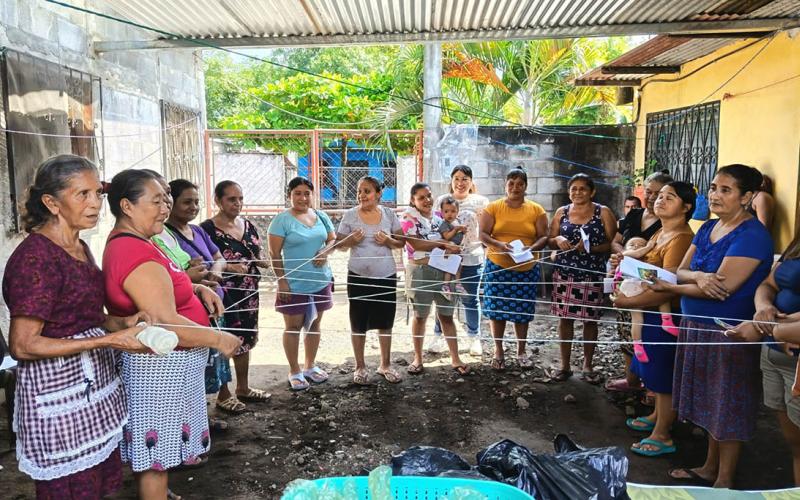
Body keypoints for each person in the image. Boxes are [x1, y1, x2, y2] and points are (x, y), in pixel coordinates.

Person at [3, 155, 148, 499]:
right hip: (57, 396)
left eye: (98, 193)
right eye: (82, 194)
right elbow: (23, 345)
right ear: (51, 203)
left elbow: (86, 316)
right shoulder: (36, 259)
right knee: (68, 489)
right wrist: (110, 340)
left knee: (96, 484)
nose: (95, 203)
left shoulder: (78, 246)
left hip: (91, 392)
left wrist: (124, 322)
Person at [103, 168, 241, 499]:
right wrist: (218, 339)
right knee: (155, 459)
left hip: (168, 369)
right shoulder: (132, 250)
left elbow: (163, 286)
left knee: (159, 455)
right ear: (127, 206)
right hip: (159, 372)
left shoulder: (144, 241)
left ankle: (159, 492)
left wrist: (195, 288)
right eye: (157, 200)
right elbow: (165, 322)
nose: (166, 207)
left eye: (167, 199)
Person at [650, 165, 773, 488]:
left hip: (728, 331)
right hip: (696, 325)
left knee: (727, 404)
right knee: (708, 401)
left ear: (747, 197)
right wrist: (699, 276)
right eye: (714, 187)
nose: (715, 195)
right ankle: (708, 467)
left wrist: (675, 287)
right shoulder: (708, 227)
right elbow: (681, 270)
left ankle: (725, 480)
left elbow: (723, 288)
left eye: (725, 190)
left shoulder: (751, 236)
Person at [609, 181, 696, 458]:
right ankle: (658, 415)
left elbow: (667, 284)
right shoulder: (661, 231)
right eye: (659, 196)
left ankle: (662, 433)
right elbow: (647, 268)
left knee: (662, 373)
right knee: (652, 369)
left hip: (665, 314)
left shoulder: (681, 238)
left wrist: (627, 301)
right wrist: (625, 264)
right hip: (649, 310)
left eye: (670, 197)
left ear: (686, 207)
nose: (660, 200)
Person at [725, 228, 800, 485]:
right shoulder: (796, 244)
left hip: (793, 358)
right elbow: (768, 283)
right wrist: (764, 308)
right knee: (795, 445)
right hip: (774, 352)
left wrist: (766, 328)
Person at [166, 179, 235, 427]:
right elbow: (171, 274)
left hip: (213, 305)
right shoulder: (165, 235)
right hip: (189, 311)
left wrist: (215, 271)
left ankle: (219, 400)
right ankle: (197, 419)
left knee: (216, 357)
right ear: (171, 203)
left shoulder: (197, 230)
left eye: (196, 202)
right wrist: (192, 277)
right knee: (197, 364)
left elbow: (219, 257)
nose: (193, 207)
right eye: (187, 202)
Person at [201, 181, 270, 410]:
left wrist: (260, 261)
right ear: (218, 201)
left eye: (240, 198)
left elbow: (256, 252)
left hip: (249, 293)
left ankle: (243, 387)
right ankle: (224, 394)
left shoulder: (248, 225)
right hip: (222, 296)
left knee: (245, 339)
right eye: (231, 199)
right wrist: (230, 268)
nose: (237, 203)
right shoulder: (206, 230)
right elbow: (203, 263)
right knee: (224, 340)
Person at [606, 171, 674, 395]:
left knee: (645, 331)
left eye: (659, 193)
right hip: (625, 276)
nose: (653, 198)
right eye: (649, 192)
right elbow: (616, 241)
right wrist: (622, 255)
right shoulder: (634, 214)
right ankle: (631, 378)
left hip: (647, 285)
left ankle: (651, 386)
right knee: (626, 329)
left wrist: (634, 259)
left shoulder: (666, 224)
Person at [547, 173, 617, 384]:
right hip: (565, 273)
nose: (577, 192)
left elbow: (613, 242)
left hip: (591, 273)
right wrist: (558, 239)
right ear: (569, 192)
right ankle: (565, 365)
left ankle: (588, 365)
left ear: (592, 192)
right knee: (565, 319)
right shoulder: (562, 212)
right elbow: (550, 239)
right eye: (573, 189)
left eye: (582, 189)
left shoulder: (602, 212)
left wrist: (590, 248)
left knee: (590, 320)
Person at [268, 177, 336, 390]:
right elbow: (274, 254)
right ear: (289, 195)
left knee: (314, 324)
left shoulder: (321, 216)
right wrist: (282, 282)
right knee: (293, 327)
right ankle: (294, 370)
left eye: (307, 193)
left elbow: (333, 239)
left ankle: (310, 366)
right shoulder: (281, 221)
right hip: (294, 284)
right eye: (297, 193)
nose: (303, 198)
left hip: (320, 281)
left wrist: (325, 251)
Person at [336, 176, 405, 384]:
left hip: (386, 275)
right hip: (358, 276)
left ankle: (385, 365)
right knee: (358, 321)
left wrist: (388, 240)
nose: (362, 195)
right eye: (359, 191)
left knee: (385, 321)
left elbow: (401, 242)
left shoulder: (389, 214)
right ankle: (360, 366)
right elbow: (339, 245)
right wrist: (351, 240)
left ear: (378, 194)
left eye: (367, 191)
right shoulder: (350, 215)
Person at [479, 168, 548, 371]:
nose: (515, 188)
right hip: (497, 266)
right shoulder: (493, 208)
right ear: (505, 185)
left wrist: (532, 248)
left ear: (526, 186)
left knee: (522, 311)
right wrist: (499, 245)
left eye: (520, 184)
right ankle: (498, 351)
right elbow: (483, 234)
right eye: (511, 183)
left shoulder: (536, 210)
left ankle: (521, 351)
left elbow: (544, 236)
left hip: (526, 268)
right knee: (497, 310)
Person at [401, 182, 470, 376]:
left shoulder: (441, 216)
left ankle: (455, 358)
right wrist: (443, 243)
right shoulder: (408, 218)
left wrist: (452, 243)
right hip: (420, 271)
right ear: (413, 200)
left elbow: (455, 239)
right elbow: (415, 244)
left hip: (443, 270)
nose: (427, 200)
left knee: (447, 315)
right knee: (420, 316)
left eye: (429, 196)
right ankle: (417, 358)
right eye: (421, 197)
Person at [430, 165, 489, 356]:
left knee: (470, 299)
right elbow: (436, 227)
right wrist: (445, 244)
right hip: (446, 258)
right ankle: (438, 336)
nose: (460, 183)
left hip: (471, 258)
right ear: (451, 180)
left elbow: (486, 230)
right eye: (456, 178)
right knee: (443, 298)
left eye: (465, 179)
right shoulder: (441, 200)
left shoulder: (481, 202)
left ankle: (474, 338)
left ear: (471, 182)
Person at [610, 236, 679, 363]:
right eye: (632, 244)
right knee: (661, 290)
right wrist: (648, 247)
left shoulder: (644, 262)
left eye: (641, 244)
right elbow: (637, 254)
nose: (636, 246)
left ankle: (638, 345)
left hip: (635, 286)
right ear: (625, 248)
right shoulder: (625, 256)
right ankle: (666, 321)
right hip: (630, 286)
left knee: (638, 319)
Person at [437, 195, 467, 300]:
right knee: (449, 267)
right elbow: (447, 236)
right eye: (446, 211)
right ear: (441, 212)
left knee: (458, 266)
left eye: (453, 211)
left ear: (457, 211)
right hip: (449, 249)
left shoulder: (457, 222)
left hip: (457, 249)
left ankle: (458, 284)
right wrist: (456, 229)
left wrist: (463, 231)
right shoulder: (444, 224)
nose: (450, 214)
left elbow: (461, 235)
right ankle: (445, 285)